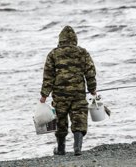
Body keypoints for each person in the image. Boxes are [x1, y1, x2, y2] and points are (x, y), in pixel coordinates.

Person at [40, 25, 97, 156]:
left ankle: (61, 149)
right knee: (79, 118)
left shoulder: (53, 54)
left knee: (60, 120)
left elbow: (48, 76)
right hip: (78, 93)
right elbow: (90, 72)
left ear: (60, 39)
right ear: (75, 39)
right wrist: (92, 89)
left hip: (60, 95)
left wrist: (44, 95)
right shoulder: (82, 52)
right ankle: (77, 147)